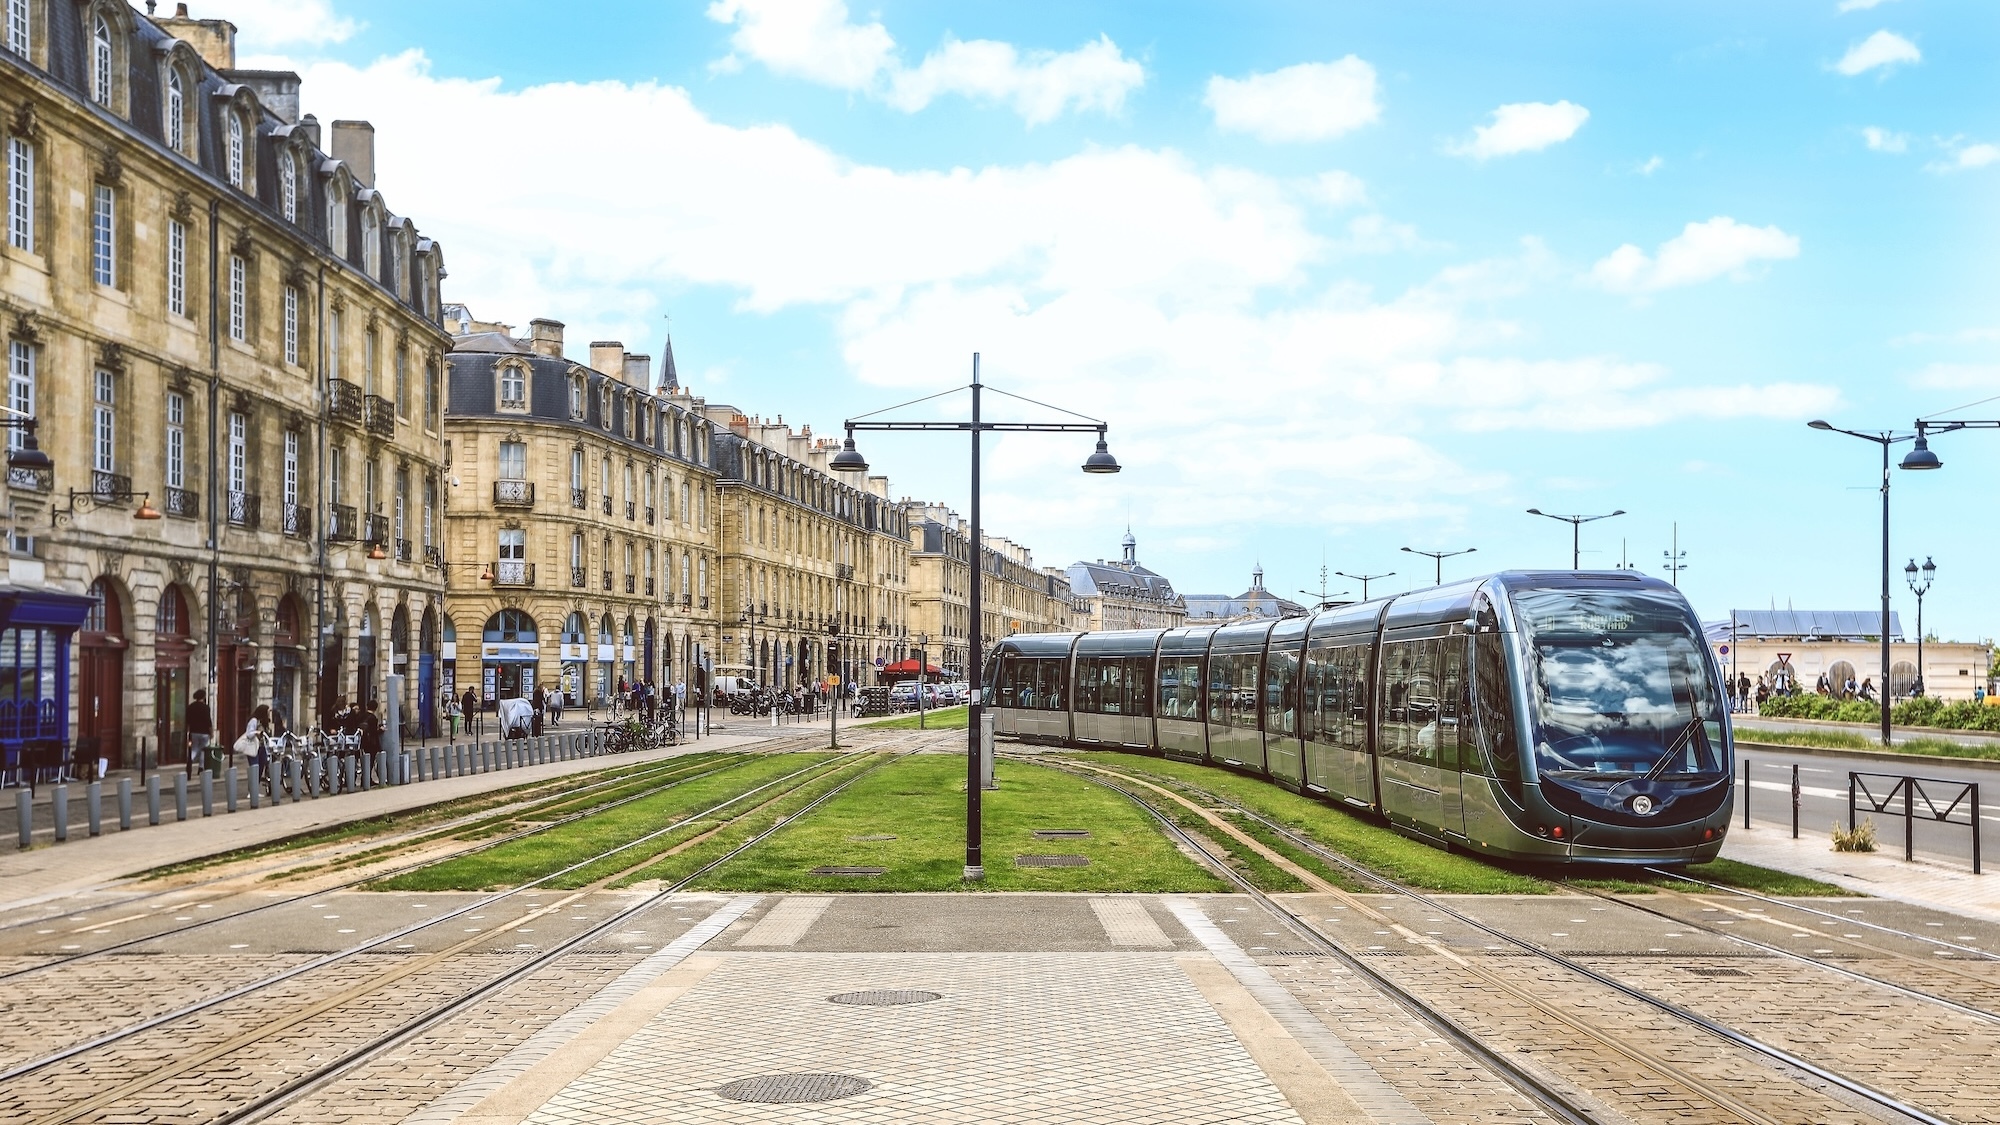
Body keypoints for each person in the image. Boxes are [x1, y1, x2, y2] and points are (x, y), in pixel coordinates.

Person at [186, 689, 214, 777]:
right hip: (204, 732)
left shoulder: (190, 707)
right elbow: (208, 721)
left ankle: (190, 759)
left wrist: (188, 731)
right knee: (203, 750)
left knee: (194, 748)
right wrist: (211, 732)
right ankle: (201, 767)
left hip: (194, 731)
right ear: (203, 697)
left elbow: (188, 721)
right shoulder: (206, 708)